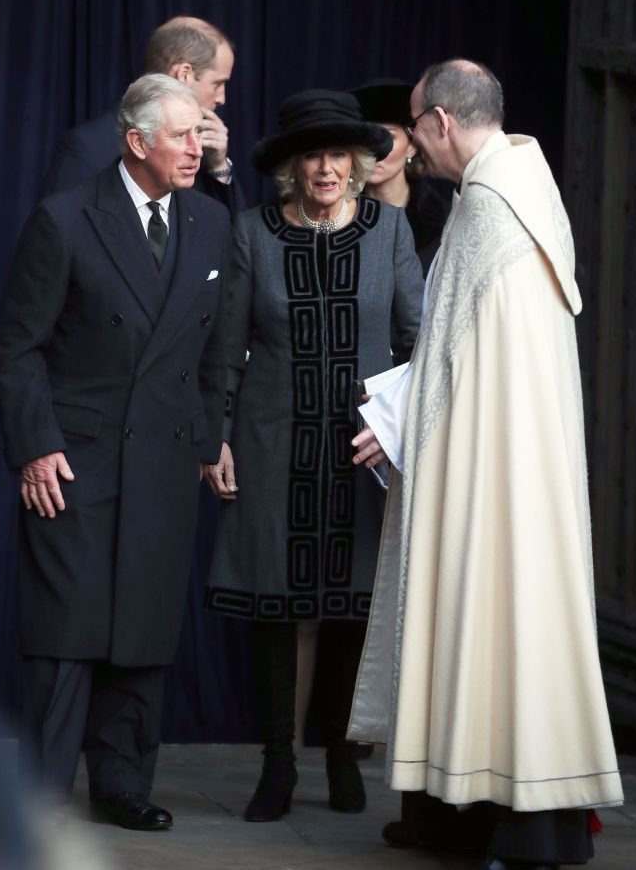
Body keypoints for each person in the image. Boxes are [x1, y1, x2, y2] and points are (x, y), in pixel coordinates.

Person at [349, 59, 623, 870]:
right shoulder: (516, 183)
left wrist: (406, 432)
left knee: (501, 619)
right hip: (501, 453)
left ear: (438, 122)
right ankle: (457, 814)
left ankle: (518, 827)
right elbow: (456, 349)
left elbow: (467, 359)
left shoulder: (493, 210)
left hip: (495, 468)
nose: (415, 148)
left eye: (414, 127)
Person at [0, 73, 229, 830]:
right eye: (183, 135)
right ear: (136, 143)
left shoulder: (210, 223)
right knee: (66, 629)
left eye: (201, 133)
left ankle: (124, 786)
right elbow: (18, 347)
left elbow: (217, 349)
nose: (200, 146)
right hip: (74, 460)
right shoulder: (64, 220)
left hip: (164, 459)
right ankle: (40, 794)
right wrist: (35, 448)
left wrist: (210, 434)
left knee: (143, 628)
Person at [203, 90, 424, 821]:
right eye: (311, 156)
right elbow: (225, 348)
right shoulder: (251, 233)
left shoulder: (389, 230)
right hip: (270, 447)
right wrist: (218, 435)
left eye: (336, 154)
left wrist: (400, 429)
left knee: (351, 610)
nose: (325, 168)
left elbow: (418, 339)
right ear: (291, 167)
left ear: (358, 163)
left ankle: (340, 753)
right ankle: (276, 762)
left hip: (361, 454)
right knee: (276, 608)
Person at [40, 16, 244, 216]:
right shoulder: (87, 149)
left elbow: (230, 242)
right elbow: (59, 236)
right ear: (184, 75)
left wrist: (219, 167)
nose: (221, 99)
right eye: (217, 83)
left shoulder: (204, 153)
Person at [351, 77, 449, 274]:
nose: (374, 151)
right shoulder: (334, 215)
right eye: (364, 138)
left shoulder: (445, 220)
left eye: (387, 137)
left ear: (412, 146)